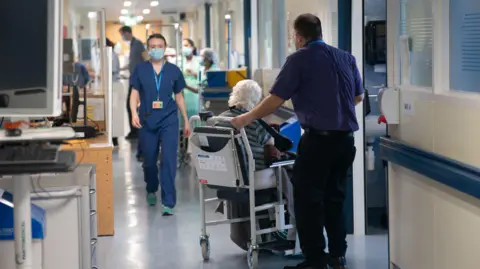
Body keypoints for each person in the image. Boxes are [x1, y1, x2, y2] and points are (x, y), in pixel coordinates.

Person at [231, 14, 364, 269]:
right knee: (335, 198)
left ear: (299, 36)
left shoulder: (299, 59)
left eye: (294, 36)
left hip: (319, 142)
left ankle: (315, 259)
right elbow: (357, 97)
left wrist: (245, 119)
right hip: (345, 142)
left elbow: (275, 99)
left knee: (307, 200)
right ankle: (337, 255)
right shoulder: (346, 57)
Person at [215, 79, 296, 250]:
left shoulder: (219, 120)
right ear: (256, 101)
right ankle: (287, 229)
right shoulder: (253, 121)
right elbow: (271, 144)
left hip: (227, 176)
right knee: (287, 169)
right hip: (253, 175)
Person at [129, 33, 190, 215]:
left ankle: (168, 202)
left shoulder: (174, 71)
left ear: (165, 47)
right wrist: (133, 113)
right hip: (147, 119)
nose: (156, 49)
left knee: (169, 160)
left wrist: (186, 120)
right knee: (149, 161)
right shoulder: (140, 70)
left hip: (169, 119)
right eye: (152, 46)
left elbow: (179, 96)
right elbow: (134, 93)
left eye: (159, 45)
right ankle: (151, 187)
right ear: (148, 49)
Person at [120, 25, 148, 141]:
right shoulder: (132, 45)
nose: (122, 37)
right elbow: (133, 62)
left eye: (122, 34)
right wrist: (121, 69)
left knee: (132, 105)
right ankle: (134, 130)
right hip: (133, 79)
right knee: (131, 106)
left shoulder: (138, 44)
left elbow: (146, 58)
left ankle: (136, 131)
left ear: (127, 33)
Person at [106, 38, 125, 146]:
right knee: (113, 113)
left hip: (114, 86)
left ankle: (114, 138)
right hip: (113, 86)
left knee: (114, 113)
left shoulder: (111, 56)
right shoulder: (110, 55)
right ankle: (113, 137)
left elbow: (111, 71)